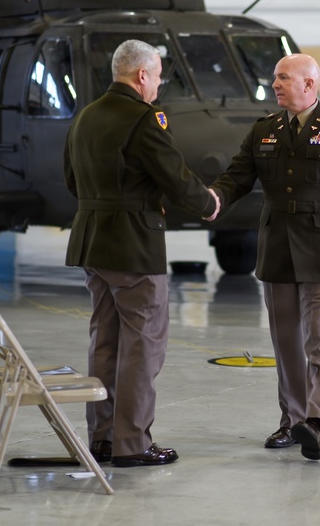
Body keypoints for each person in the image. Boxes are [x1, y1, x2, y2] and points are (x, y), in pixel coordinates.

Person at [209, 53, 320, 461]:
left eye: (284, 78)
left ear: (309, 85)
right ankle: (291, 420)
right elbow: (237, 176)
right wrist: (212, 198)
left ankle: (315, 422)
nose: (275, 84)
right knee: (285, 342)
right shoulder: (264, 130)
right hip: (278, 248)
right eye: (275, 78)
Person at [63, 39, 220, 467]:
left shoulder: (85, 117)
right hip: (133, 246)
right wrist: (209, 203)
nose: (158, 88)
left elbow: (72, 182)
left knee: (105, 343)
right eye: (157, 78)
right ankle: (132, 443)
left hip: (92, 242)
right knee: (143, 347)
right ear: (142, 75)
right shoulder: (145, 119)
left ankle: (103, 438)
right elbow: (175, 176)